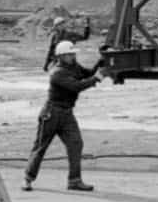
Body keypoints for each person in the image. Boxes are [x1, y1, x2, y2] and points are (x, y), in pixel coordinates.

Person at [24, 40, 105, 192]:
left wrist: (100, 62)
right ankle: (28, 178)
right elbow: (76, 86)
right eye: (69, 55)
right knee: (41, 147)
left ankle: (74, 181)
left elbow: (87, 74)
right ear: (61, 57)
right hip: (51, 114)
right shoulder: (57, 73)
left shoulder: (73, 67)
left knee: (76, 144)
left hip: (67, 113)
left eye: (73, 54)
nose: (72, 57)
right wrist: (97, 79)